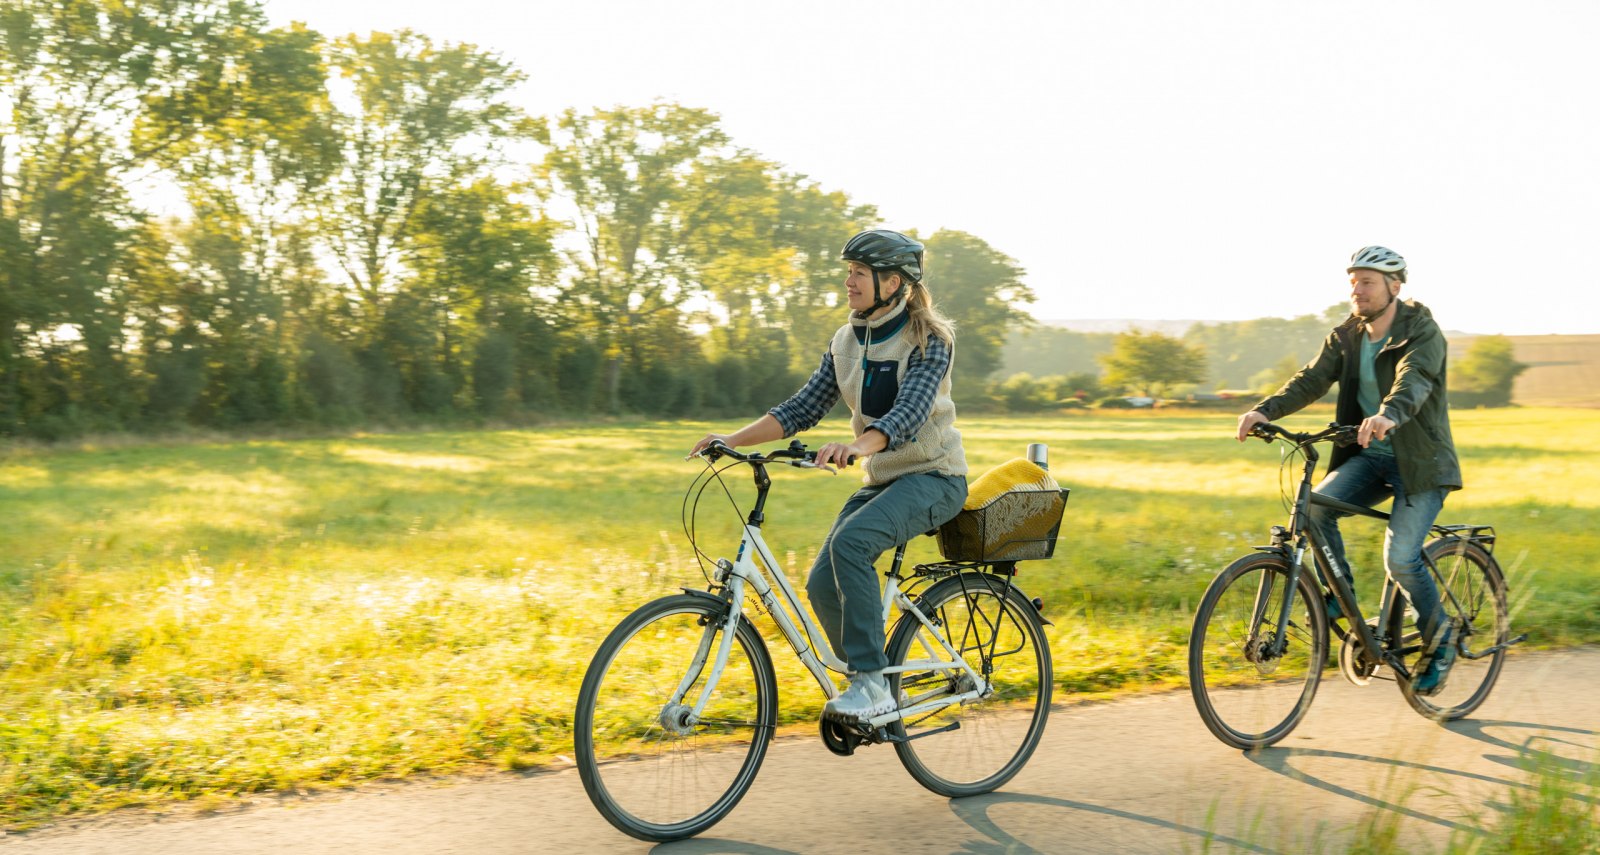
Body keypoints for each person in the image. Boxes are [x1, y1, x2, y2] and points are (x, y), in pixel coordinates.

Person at [689, 229, 969, 721]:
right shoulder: (846, 341)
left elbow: (909, 412)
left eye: (860, 273)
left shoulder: (929, 339)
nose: (848, 281)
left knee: (850, 544)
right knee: (821, 583)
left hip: (935, 478)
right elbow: (801, 408)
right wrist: (729, 440)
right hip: (885, 481)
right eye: (849, 272)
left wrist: (857, 447)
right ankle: (877, 679)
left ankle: (871, 685)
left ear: (892, 282)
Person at [1236, 245, 1463, 695]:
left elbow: (1414, 378)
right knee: (1316, 509)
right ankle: (1342, 602)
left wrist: (1388, 414)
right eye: (1354, 281)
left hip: (1421, 464)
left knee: (1401, 558)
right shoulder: (1346, 335)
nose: (1357, 290)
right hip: (1372, 457)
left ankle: (1441, 641)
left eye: (1368, 282)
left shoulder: (1423, 332)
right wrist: (1265, 410)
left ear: (1394, 287)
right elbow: (1312, 379)